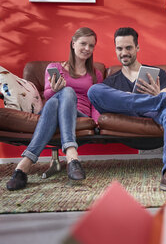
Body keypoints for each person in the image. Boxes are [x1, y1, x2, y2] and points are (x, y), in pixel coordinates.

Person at [87, 27, 166, 192]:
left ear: (137, 48)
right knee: (94, 91)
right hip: (126, 113)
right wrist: (129, 97)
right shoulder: (112, 81)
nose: (124, 52)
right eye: (119, 48)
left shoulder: (157, 73)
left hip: (153, 113)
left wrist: (157, 93)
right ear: (115, 50)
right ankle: (158, 100)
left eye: (128, 47)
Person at [6, 27, 103, 191]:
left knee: (67, 92)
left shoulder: (96, 74)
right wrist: (56, 90)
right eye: (83, 43)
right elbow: (49, 97)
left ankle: (24, 165)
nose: (87, 48)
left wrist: (96, 121)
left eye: (91, 45)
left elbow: (95, 102)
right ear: (73, 43)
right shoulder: (55, 67)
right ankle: (72, 155)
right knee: (61, 97)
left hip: (79, 114)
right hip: (53, 108)